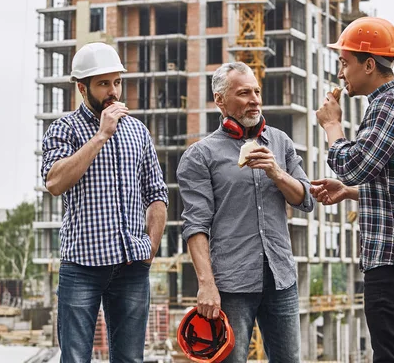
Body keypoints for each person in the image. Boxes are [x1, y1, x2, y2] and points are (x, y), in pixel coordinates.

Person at [312, 17, 394, 363]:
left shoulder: (387, 106)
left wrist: (332, 127)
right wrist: (349, 193)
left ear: (369, 64)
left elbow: (354, 166)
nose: (341, 73)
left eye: (345, 63)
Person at [176, 61, 314, 362]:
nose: (255, 100)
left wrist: (277, 172)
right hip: (231, 286)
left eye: (257, 91)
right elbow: (195, 227)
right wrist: (207, 285)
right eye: (243, 93)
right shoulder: (199, 156)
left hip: (281, 279)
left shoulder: (280, 142)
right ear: (220, 100)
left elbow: (306, 200)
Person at [41, 42, 168, 362]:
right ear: (82, 88)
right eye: (103, 84)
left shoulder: (138, 131)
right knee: (75, 358)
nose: (113, 91)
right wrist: (100, 135)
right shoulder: (63, 129)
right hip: (82, 266)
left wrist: (149, 248)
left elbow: (156, 193)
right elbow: (55, 182)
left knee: (130, 359)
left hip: (132, 266)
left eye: (117, 82)